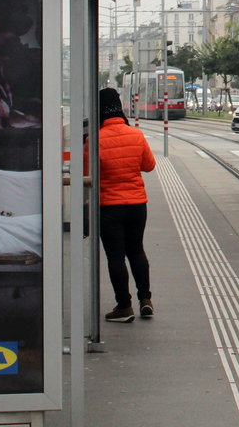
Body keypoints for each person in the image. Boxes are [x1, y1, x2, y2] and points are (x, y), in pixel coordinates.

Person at [97, 87, 157, 322]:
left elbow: (85, 173)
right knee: (136, 250)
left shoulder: (96, 139)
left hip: (109, 206)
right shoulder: (136, 135)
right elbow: (149, 166)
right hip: (136, 204)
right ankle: (146, 300)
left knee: (116, 256)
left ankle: (124, 306)